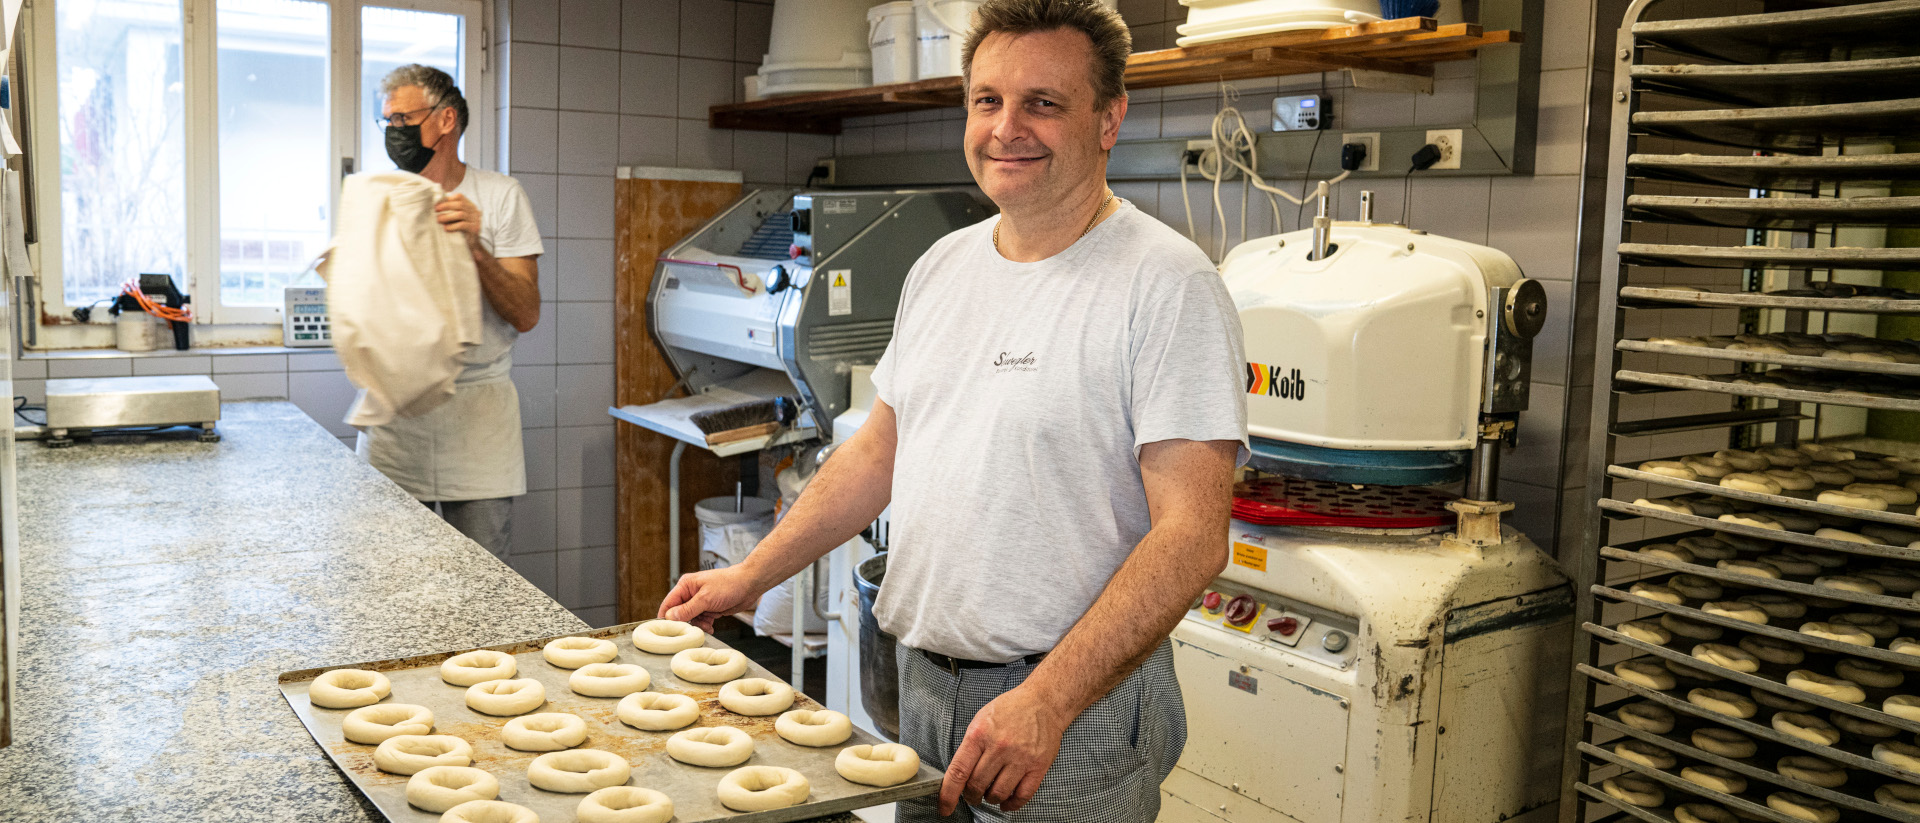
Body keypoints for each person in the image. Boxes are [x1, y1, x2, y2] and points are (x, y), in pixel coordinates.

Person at [659, 1, 1247, 820]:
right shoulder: (942, 264)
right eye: (987, 100)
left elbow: (1192, 534)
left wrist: (1048, 698)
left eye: (1043, 102)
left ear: (1108, 118)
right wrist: (751, 576)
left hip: (1066, 707)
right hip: (921, 688)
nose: (1008, 128)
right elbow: (878, 451)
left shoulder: (1165, 283)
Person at [359, 64, 543, 558]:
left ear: (446, 120)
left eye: (402, 119)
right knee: (389, 588)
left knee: (485, 593)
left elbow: (526, 313)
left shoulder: (501, 197)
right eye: (387, 122)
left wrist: (476, 248)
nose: (393, 132)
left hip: (478, 420)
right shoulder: (374, 200)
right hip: (396, 422)